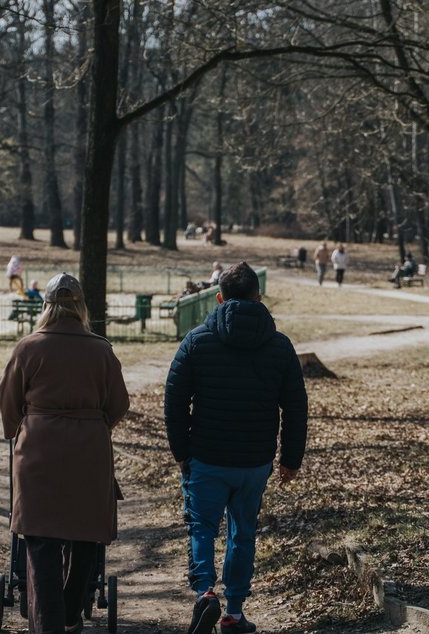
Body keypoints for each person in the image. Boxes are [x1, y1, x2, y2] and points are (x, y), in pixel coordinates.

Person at [164, 262, 308, 634]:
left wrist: (181, 451)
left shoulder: (196, 341)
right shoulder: (280, 346)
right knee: (242, 533)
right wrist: (290, 459)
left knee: (201, 528)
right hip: (253, 462)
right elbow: (295, 406)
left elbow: (174, 400)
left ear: (219, 297)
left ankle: (205, 593)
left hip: (206, 457)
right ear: (259, 297)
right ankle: (235, 613)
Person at [0, 272, 130, 634]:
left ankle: (50, 625)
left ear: (46, 307)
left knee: (40, 544)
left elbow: (9, 403)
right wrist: (93, 424)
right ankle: (72, 616)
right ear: (81, 307)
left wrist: (15, 430)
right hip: (89, 452)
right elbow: (119, 404)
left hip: (39, 452)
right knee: (86, 536)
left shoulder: (28, 348)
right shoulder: (101, 350)